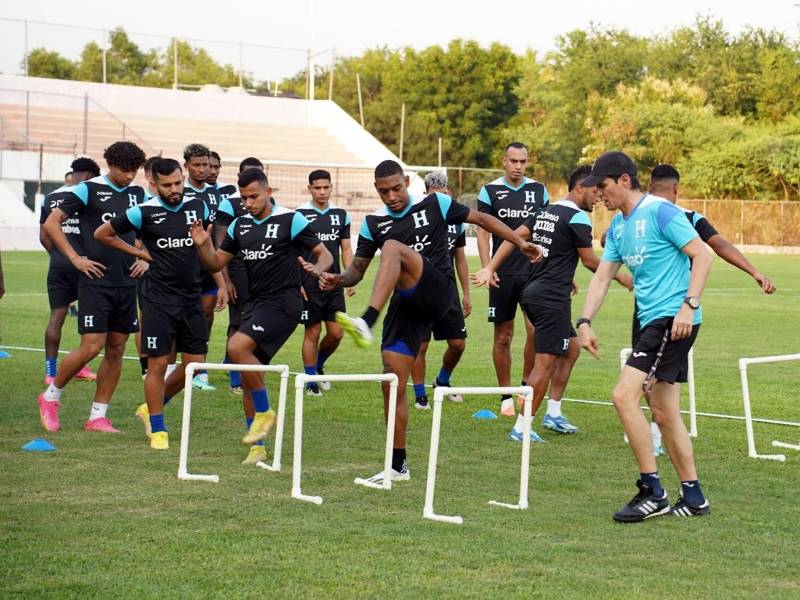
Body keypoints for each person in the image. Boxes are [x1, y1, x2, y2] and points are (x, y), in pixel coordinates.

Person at [310, 160, 540, 484]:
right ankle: (397, 465)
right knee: (391, 382)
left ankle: (367, 320)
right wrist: (337, 279)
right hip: (405, 306)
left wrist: (519, 242)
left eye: (396, 188)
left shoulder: (436, 203)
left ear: (406, 181)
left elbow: (482, 218)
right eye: (384, 191)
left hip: (437, 290)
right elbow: (357, 270)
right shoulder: (373, 224)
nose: (391, 196)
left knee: (393, 248)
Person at [577, 151, 712, 522]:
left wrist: (689, 305)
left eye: (602, 186)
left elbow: (702, 255)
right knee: (665, 412)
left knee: (623, 396)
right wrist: (585, 320)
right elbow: (603, 277)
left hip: (672, 319)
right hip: (650, 320)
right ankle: (694, 495)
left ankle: (653, 491)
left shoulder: (660, 212)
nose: (599, 195)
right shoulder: (619, 228)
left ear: (623, 180)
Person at [474, 165, 632, 441]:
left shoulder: (546, 211)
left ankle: (554, 413)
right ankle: (522, 427)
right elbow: (590, 261)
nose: (598, 198)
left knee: (571, 349)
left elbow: (514, 238)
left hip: (534, 292)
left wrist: (491, 267)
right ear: (580, 187)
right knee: (544, 364)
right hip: (550, 299)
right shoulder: (579, 219)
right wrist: (621, 277)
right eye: (595, 192)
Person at [191, 168, 332, 465]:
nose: (249, 203)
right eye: (244, 198)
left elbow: (325, 254)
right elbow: (215, 264)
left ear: (269, 192)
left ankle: (266, 411)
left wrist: (317, 271)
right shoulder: (239, 225)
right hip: (255, 305)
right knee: (247, 371)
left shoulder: (290, 219)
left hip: (285, 302)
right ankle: (257, 446)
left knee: (236, 347)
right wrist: (203, 243)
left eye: (254, 196)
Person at [95, 158, 225, 449]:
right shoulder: (143, 212)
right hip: (158, 300)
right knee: (158, 363)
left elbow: (208, 247)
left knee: (195, 364)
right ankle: (158, 428)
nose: (175, 189)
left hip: (191, 297)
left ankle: (152, 405)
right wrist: (139, 254)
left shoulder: (197, 206)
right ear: (154, 184)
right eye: (167, 185)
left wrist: (220, 281)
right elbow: (102, 234)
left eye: (178, 182)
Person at [39, 141, 147, 433]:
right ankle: (51, 397)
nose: (129, 176)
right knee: (91, 346)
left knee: (116, 347)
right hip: (95, 280)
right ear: (110, 164)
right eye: (124, 170)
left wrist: (145, 258)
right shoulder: (87, 190)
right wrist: (75, 258)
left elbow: (150, 227)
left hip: (126, 282)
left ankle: (97, 416)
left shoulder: (139, 194)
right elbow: (51, 224)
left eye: (134, 170)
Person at [477, 142, 549, 417]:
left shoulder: (539, 190)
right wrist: (488, 267)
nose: (518, 166)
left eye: (523, 161)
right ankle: (505, 396)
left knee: (535, 331)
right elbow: (483, 231)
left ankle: (525, 388)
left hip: (533, 271)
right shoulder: (490, 190)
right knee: (503, 336)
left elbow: (544, 231)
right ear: (503, 162)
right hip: (503, 273)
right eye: (513, 161)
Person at [410, 171, 471, 410]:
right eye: (433, 196)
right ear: (425, 195)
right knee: (421, 345)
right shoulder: (416, 217)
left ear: (448, 193)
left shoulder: (455, 221)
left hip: (448, 291)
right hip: (421, 290)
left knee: (458, 343)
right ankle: (419, 395)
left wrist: (466, 293)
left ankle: (442, 381)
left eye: (442, 195)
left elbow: (461, 259)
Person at [39, 157, 102, 385]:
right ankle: (80, 366)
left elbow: (44, 235)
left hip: (58, 264)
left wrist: (58, 256)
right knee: (86, 318)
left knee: (57, 317)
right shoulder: (89, 193)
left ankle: (50, 371)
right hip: (84, 263)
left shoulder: (52, 196)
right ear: (88, 175)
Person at [296, 169, 355, 396]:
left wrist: (349, 277)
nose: (322, 192)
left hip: (334, 283)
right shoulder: (299, 215)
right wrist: (296, 281)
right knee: (312, 331)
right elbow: (292, 251)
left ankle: (318, 366)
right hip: (308, 283)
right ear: (309, 188)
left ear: (331, 188)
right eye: (317, 188)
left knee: (336, 333)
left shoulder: (341, 215)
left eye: (326, 187)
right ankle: (310, 382)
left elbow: (347, 248)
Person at [214, 157, 266, 394]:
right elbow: (220, 245)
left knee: (255, 319)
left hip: (259, 269)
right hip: (236, 269)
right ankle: (235, 376)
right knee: (238, 321)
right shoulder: (228, 205)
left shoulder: (268, 204)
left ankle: (244, 366)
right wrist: (226, 280)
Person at [182, 143, 222, 391]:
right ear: (186, 166)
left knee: (205, 318)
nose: (203, 169)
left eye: (206, 164)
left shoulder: (216, 194)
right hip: (181, 267)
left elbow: (218, 236)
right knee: (180, 319)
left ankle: (200, 370)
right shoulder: (177, 191)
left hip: (207, 267)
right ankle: (174, 368)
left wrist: (221, 274)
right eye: (197, 165)